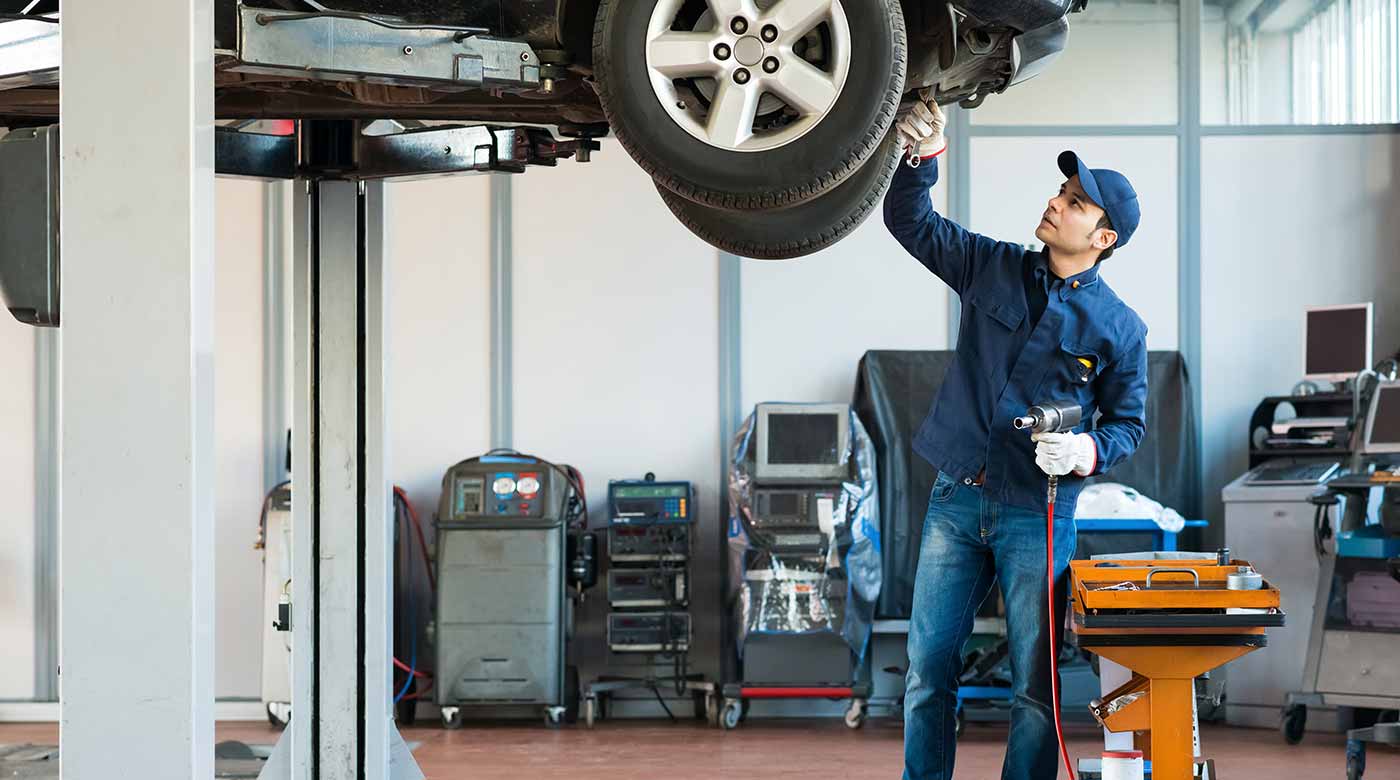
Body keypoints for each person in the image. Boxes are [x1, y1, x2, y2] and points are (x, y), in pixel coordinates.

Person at [883, 91, 1150, 780]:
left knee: (1036, 687)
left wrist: (1089, 449)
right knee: (926, 671)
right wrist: (924, 156)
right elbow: (909, 221)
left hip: (1039, 513)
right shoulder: (991, 266)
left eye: (1076, 203)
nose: (1057, 204)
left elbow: (1129, 424)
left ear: (1104, 238)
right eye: (1060, 191)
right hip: (956, 499)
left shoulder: (1121, 330)